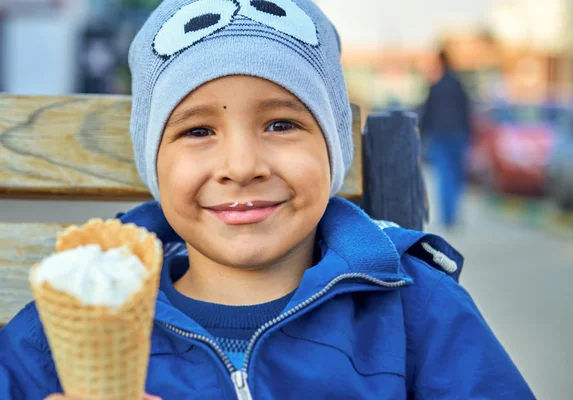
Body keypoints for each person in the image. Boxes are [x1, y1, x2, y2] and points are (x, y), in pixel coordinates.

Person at [0, 1, 534, 399]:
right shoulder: (63, 328)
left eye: (281, 124)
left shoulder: (417, 310)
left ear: (333, 149)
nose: (241, 166)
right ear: (153, 165)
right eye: (197, 131)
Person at [421, 49, 472, 230]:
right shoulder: (459, 84)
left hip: (440, 135)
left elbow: (427, 112)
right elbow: (467, 110)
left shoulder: (435, 86)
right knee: (456, 175)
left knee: (445, 175)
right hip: (458, 134)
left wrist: (423, 134)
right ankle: (453, 214)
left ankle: (448, 216)